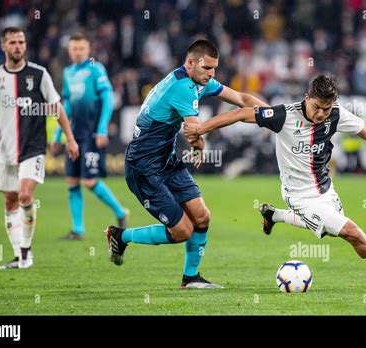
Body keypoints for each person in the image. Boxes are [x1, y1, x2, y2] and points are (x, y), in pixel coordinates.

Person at [184, 75, 366, 289]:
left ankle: (274, 215)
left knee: (332, 232)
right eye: (317, 107)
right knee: (352, 233)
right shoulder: (284, 115)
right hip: (299, 196)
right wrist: (201, 128)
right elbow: (240, 113)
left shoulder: (337, 115)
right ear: (306, 98)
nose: (321, 114)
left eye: (327, 108)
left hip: (326, 190)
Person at [105, 39, 269, 288]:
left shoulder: (198, 80)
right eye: (207, 68)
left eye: (214, 68)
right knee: (182, 231)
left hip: (166, 160)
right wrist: (198, 146)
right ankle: (121, 235)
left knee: (202, 216)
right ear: (190, 62)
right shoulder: (181, 87)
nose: (211, 74)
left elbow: (242, 99)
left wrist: (278, 113)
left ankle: (190, 278)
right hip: (143, 167)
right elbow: (194, 132)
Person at [0, 27, 79, 269]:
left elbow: (57, 107)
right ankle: (19, 255)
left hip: (33, 148)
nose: (18, 46)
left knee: (25, 196)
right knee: (10, 202)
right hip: (5, 150)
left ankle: (25, 252)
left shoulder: (39, 74)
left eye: (21, 42)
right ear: (3, 46)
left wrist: (70, 139)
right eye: (12, 42)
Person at [51, 32, 128, 240]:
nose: (77, 52)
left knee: (89, 181)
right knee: (71, 180)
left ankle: (121, 212)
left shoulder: (96, 69)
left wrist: (102, 128)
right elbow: (65, 105)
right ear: (69, 50)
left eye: (81, 48)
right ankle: (78, 229)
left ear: (88, 50)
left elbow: (108, 98)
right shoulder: (68, 72)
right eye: (74, 49)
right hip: (73, 135)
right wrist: (58, 134)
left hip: (92, 134)